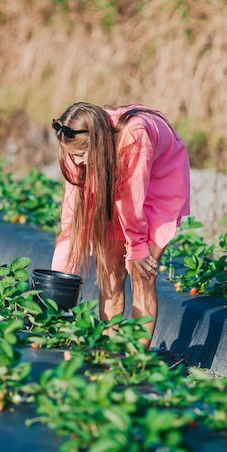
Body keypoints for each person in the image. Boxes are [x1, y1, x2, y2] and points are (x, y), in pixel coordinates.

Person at [51, 102, 190, 347]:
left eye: (81, 156)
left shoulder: (134, 136)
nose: (77, 162)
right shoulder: (74, 143)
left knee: (142, 274)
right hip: (112, 172)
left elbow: (132, 200)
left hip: (159, 179)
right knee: (111, 273)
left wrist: (137, 249)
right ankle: (110, 353)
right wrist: (59, 279)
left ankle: (135, 362)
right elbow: (71, 218)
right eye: (72, 155)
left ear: (97, 145)